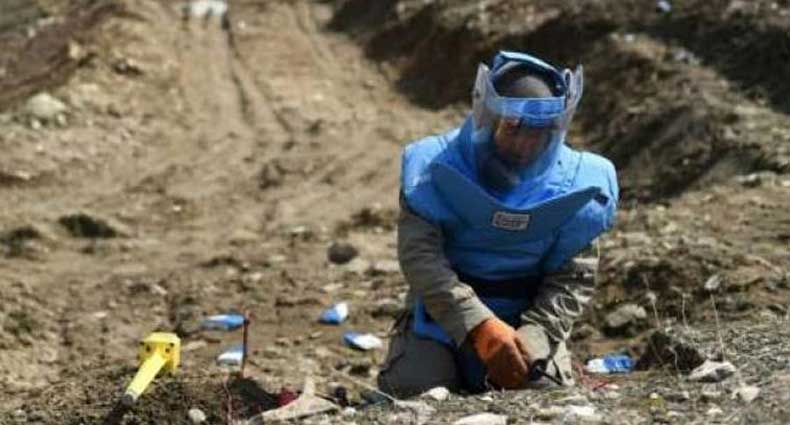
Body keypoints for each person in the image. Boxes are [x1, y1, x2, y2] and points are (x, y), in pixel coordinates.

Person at [377, 51, 619, 397]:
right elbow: (421, 262)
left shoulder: (581, 186)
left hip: (526, 322)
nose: (525, 145)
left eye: (538, 133)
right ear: (488, 119)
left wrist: (534, 337)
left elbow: (572, 278)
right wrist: (481, 326)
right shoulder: (430, 171)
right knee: (415, 389)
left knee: (541, 394)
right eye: (513, 128)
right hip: (441, 321)